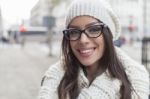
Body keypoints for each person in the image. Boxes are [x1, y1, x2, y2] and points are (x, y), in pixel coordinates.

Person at [39, 0, 149, 99]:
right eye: (74, 32)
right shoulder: (54, 79)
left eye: (94, 29)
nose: (83, 40)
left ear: (108, 34)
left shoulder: (135, 81)